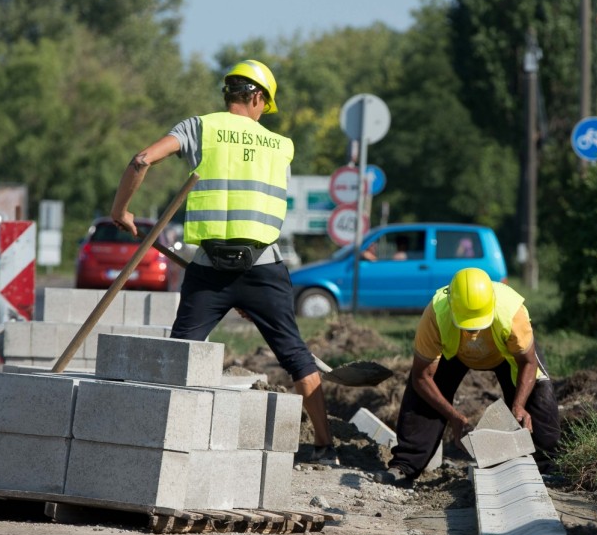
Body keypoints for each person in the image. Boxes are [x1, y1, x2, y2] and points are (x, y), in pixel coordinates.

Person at [110, 58, 339, 465]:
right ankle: (325, 447)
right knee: (296, 357)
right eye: (263, 106)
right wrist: (249, 297)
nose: (260, 112)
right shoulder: (282, 146)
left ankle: (167, 443)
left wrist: (121, 211)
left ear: (230, 93)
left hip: (210, 269)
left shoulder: (200, 127)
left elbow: (142, 159)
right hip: (264, 268)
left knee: (182, 354)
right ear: (256, 97)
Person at [376, 267, 560, 485]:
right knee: (424, 392)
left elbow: (528, 363)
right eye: (467, 325)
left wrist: (519, 405)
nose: (474, 333)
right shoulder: (436, 314)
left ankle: (545, 466)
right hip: (454, 354)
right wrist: (454, 416)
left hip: (505, 354)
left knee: (540, 393)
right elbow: (421, 376)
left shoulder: (511, 311)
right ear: (452, 306)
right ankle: (405, 466)